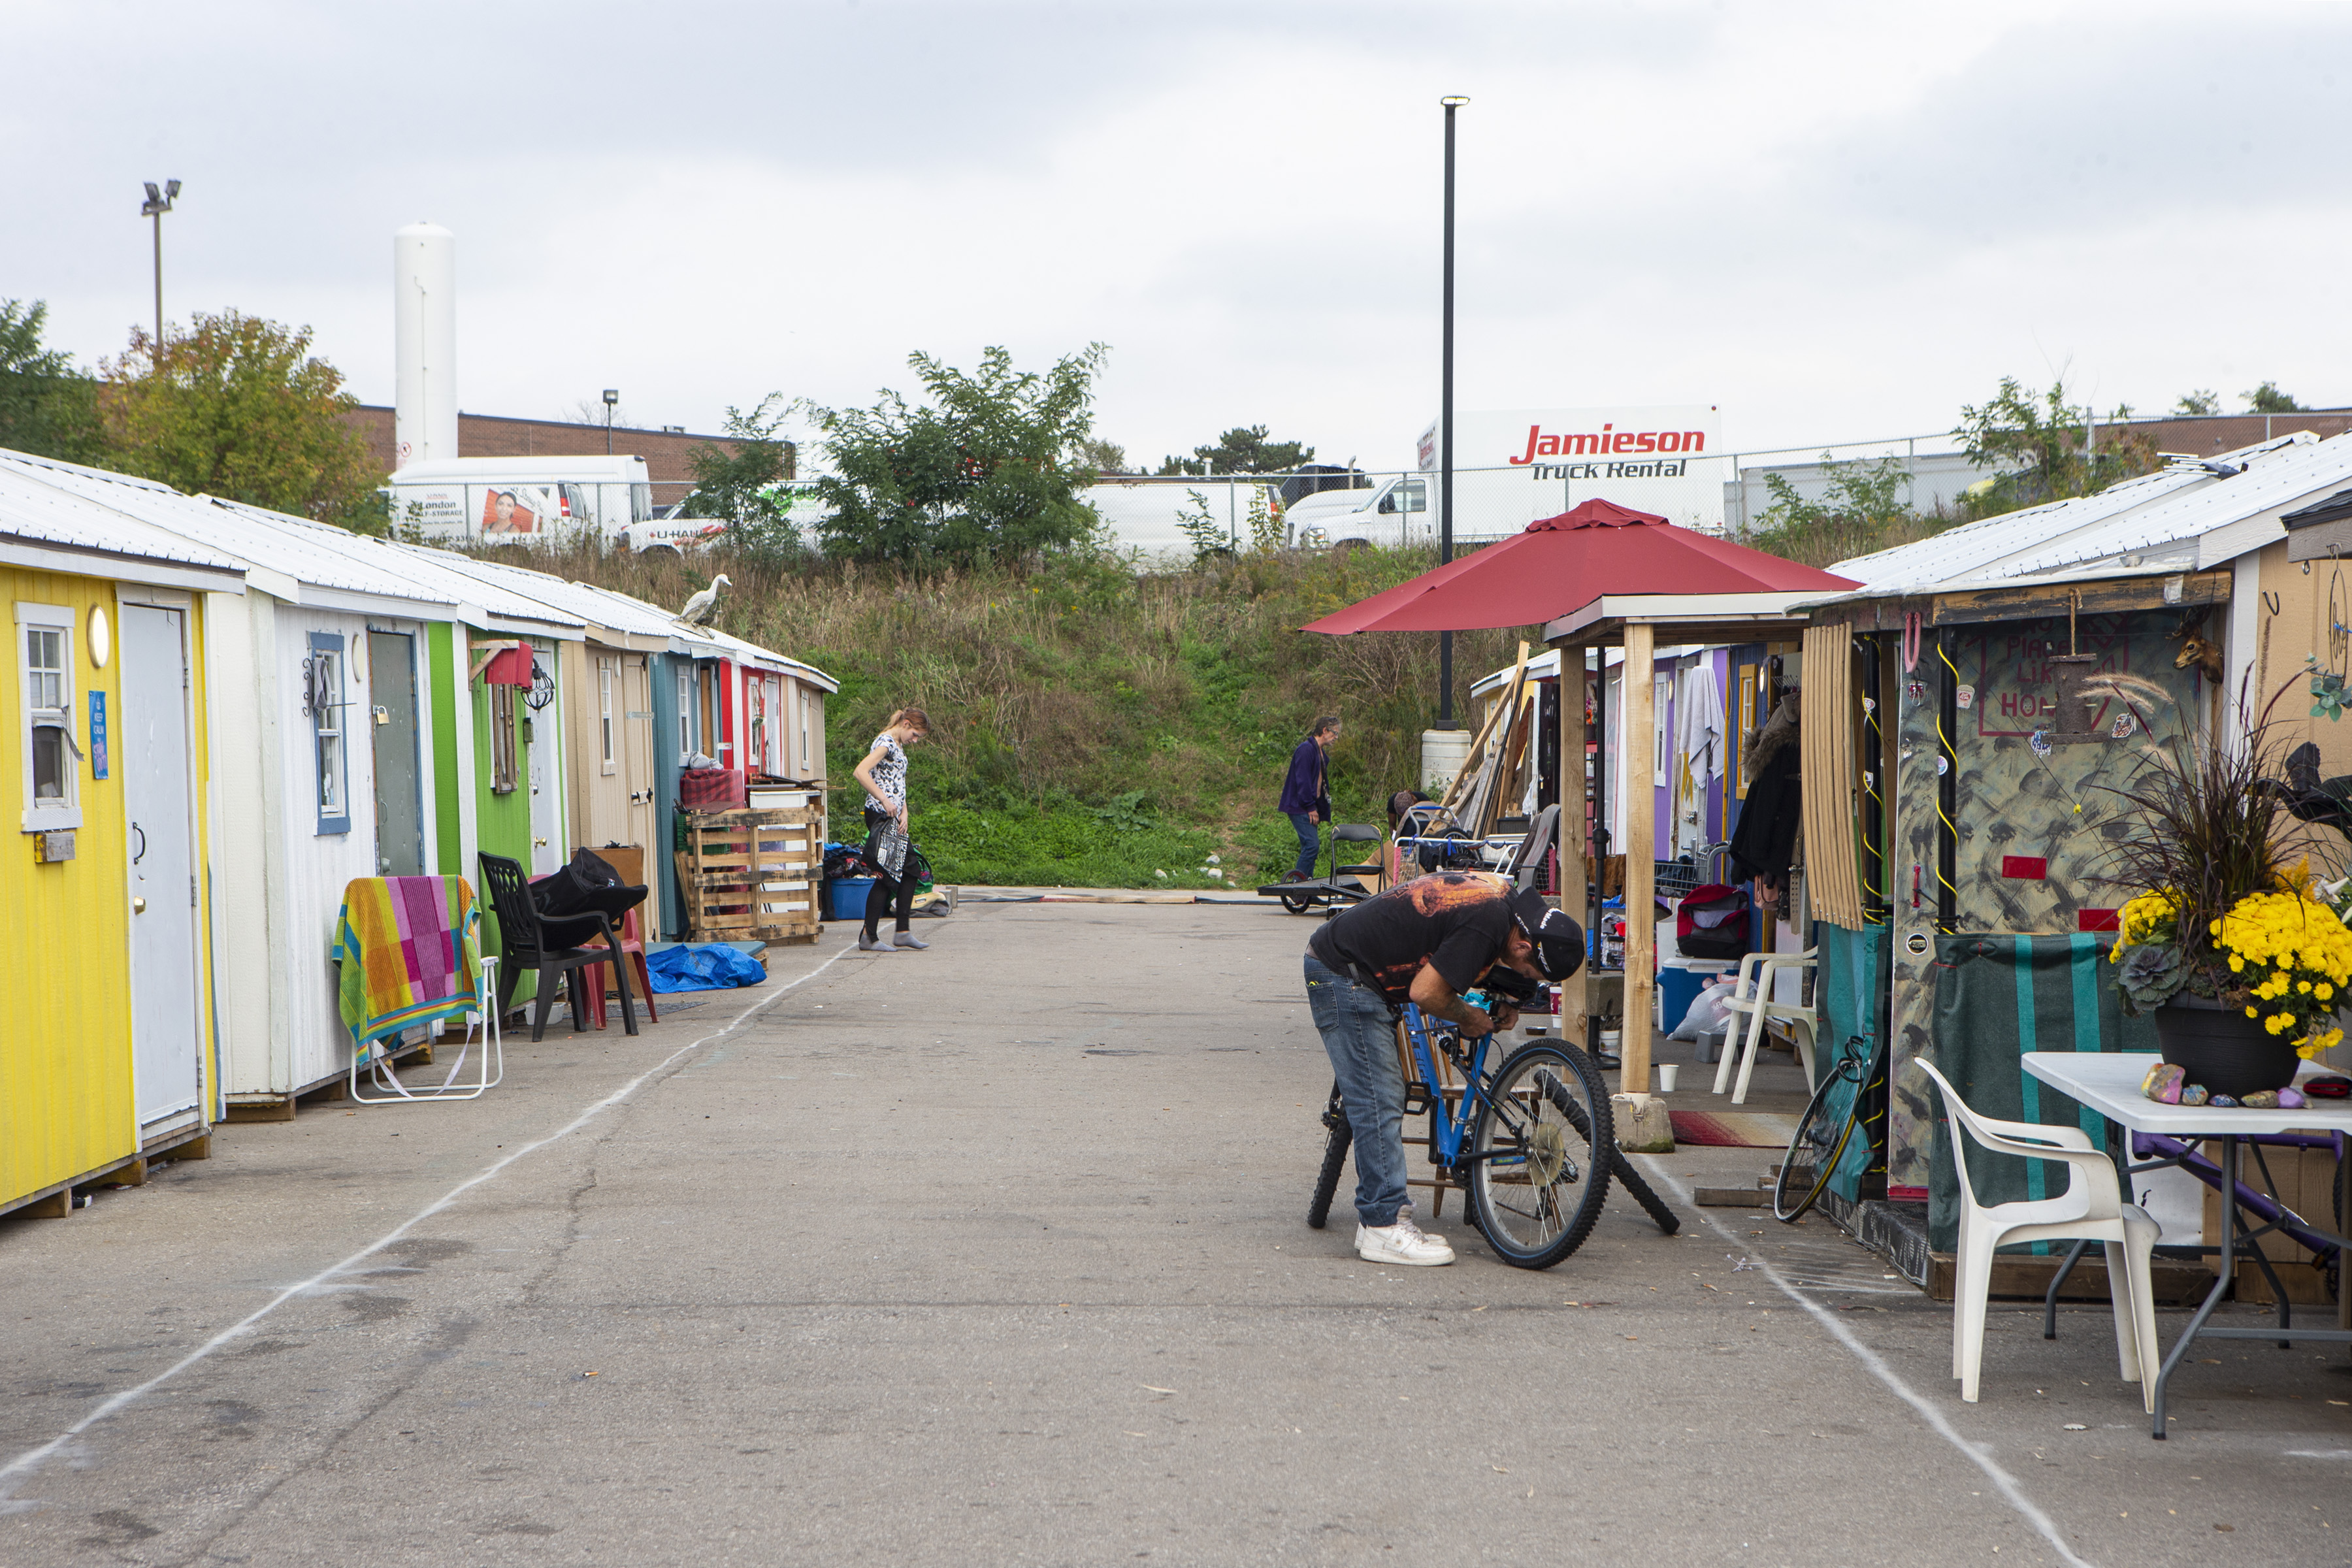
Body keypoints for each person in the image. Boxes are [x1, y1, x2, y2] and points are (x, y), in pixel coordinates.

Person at [1303, 870, 1584, 1266]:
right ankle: (1383, 1226)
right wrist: (1467, 1017)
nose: (1524, 979)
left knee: (1381, 1094)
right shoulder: (1487, 924)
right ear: (1523, 946)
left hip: (1362, 964)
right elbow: (1426, 992)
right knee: (1380, 1097)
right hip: (1343, 974)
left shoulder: (1505, 903)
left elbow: (1459, 948)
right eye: (1527, 974)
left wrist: (1504, 997)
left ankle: (1377, 1221)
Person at [850, 708, 931, 953]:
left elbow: (897, 782)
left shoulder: (897, 744)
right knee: (891, 875)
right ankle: (871, 936)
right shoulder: (886, 743)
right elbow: (860, 772)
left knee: (908, 871)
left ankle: (901, 932)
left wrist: (904, 811)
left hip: (894, 816)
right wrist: (884, 801)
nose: (915, 741)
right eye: (915, 735)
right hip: (881, 816)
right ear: (906, 724)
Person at [1278, 716, 1341, 881]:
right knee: (1312, 845)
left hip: (1310, 807)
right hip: (1300, 807)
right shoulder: (1306, 750)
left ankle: (1308, 890)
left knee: (1311, 846)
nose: (1336, 737)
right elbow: (1303, 781)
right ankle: (1298, 887)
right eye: (1335, 733)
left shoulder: (1320, 753)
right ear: (1324, 730)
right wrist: (1310, 807)